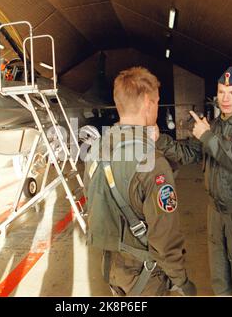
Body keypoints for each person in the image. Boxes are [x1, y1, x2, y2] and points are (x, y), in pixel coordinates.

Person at [156, 66, 232, 295]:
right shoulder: (215, 125)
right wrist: (159, 139)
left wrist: (207, 136)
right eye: (221, 92)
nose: (225, 98)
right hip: (216, 214)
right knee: (220, 282)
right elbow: (188, 154)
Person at [83, 66, 196, 296]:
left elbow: (95, 200)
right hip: (146, 276)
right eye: (156, 102)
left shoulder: (95, 149)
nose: (156, 107)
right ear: (147, 102)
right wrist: (181, 281)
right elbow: (165, 236)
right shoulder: (152, 161)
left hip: (112, 269)